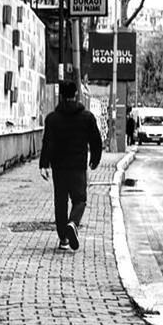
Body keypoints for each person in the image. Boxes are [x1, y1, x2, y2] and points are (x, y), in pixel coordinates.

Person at [39, 79, 103, 251]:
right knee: (80, 199)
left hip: (59, 168)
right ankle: (73, 223)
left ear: (60, 96)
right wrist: (95, 159)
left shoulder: (52, 119)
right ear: (76, 95)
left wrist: (43, 165)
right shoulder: (86, 117)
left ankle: (63, 239)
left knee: (60, 202)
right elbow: (96, 140)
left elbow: (48, 142)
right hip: (78, 167)